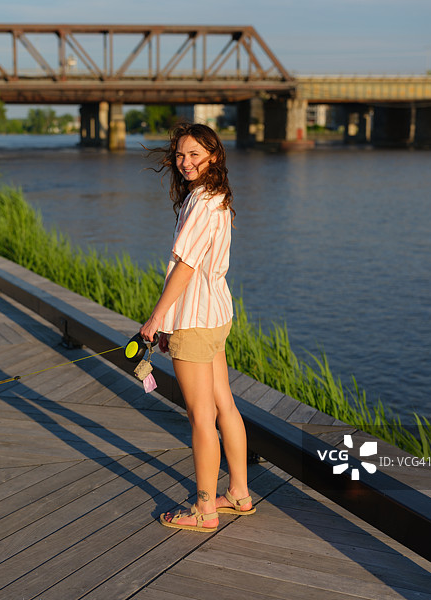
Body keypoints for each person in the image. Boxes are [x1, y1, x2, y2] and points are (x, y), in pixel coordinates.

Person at [140, 122, 255, 533]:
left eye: (194, 155)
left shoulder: (200, 203)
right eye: (180, 155)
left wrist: (157, 319)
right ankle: (239, 492)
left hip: (193, 319)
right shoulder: (217, 196)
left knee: (201, 416)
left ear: (213, 157)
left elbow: (185, 267)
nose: (185, 163)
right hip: (216, 314)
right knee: (224, 404)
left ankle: (204, 509)